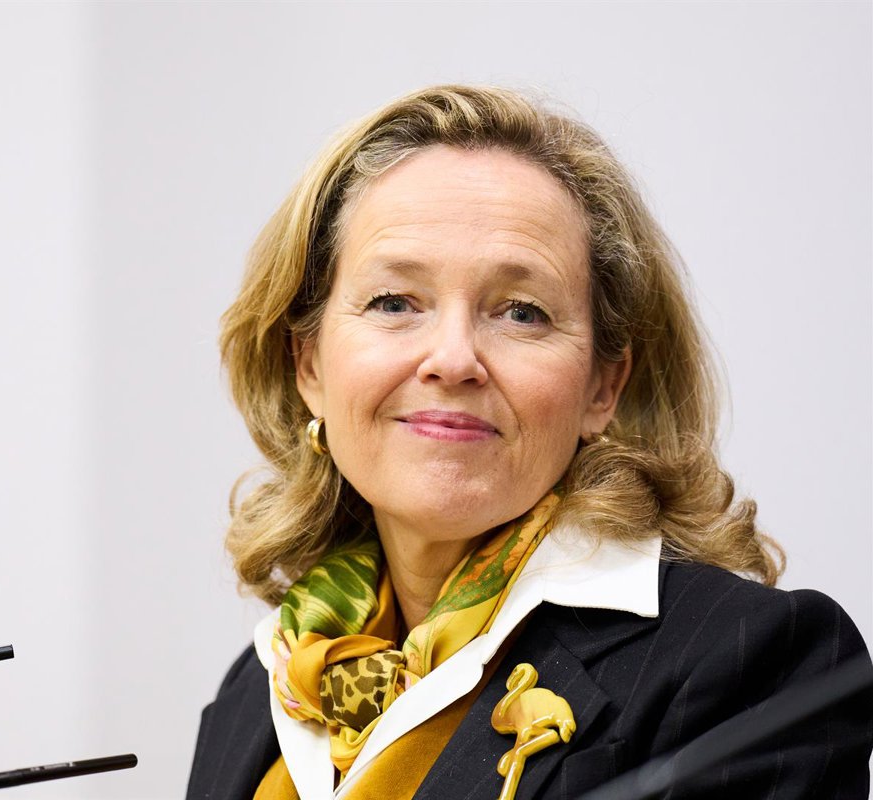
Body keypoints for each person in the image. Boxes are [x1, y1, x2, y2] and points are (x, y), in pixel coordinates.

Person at [186, 85, 872, 800]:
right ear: (308, 366)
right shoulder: (257, 686)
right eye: (394, 302)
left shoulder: (750, 667)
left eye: (521, 312)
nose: (453, 359)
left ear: (602, 385)